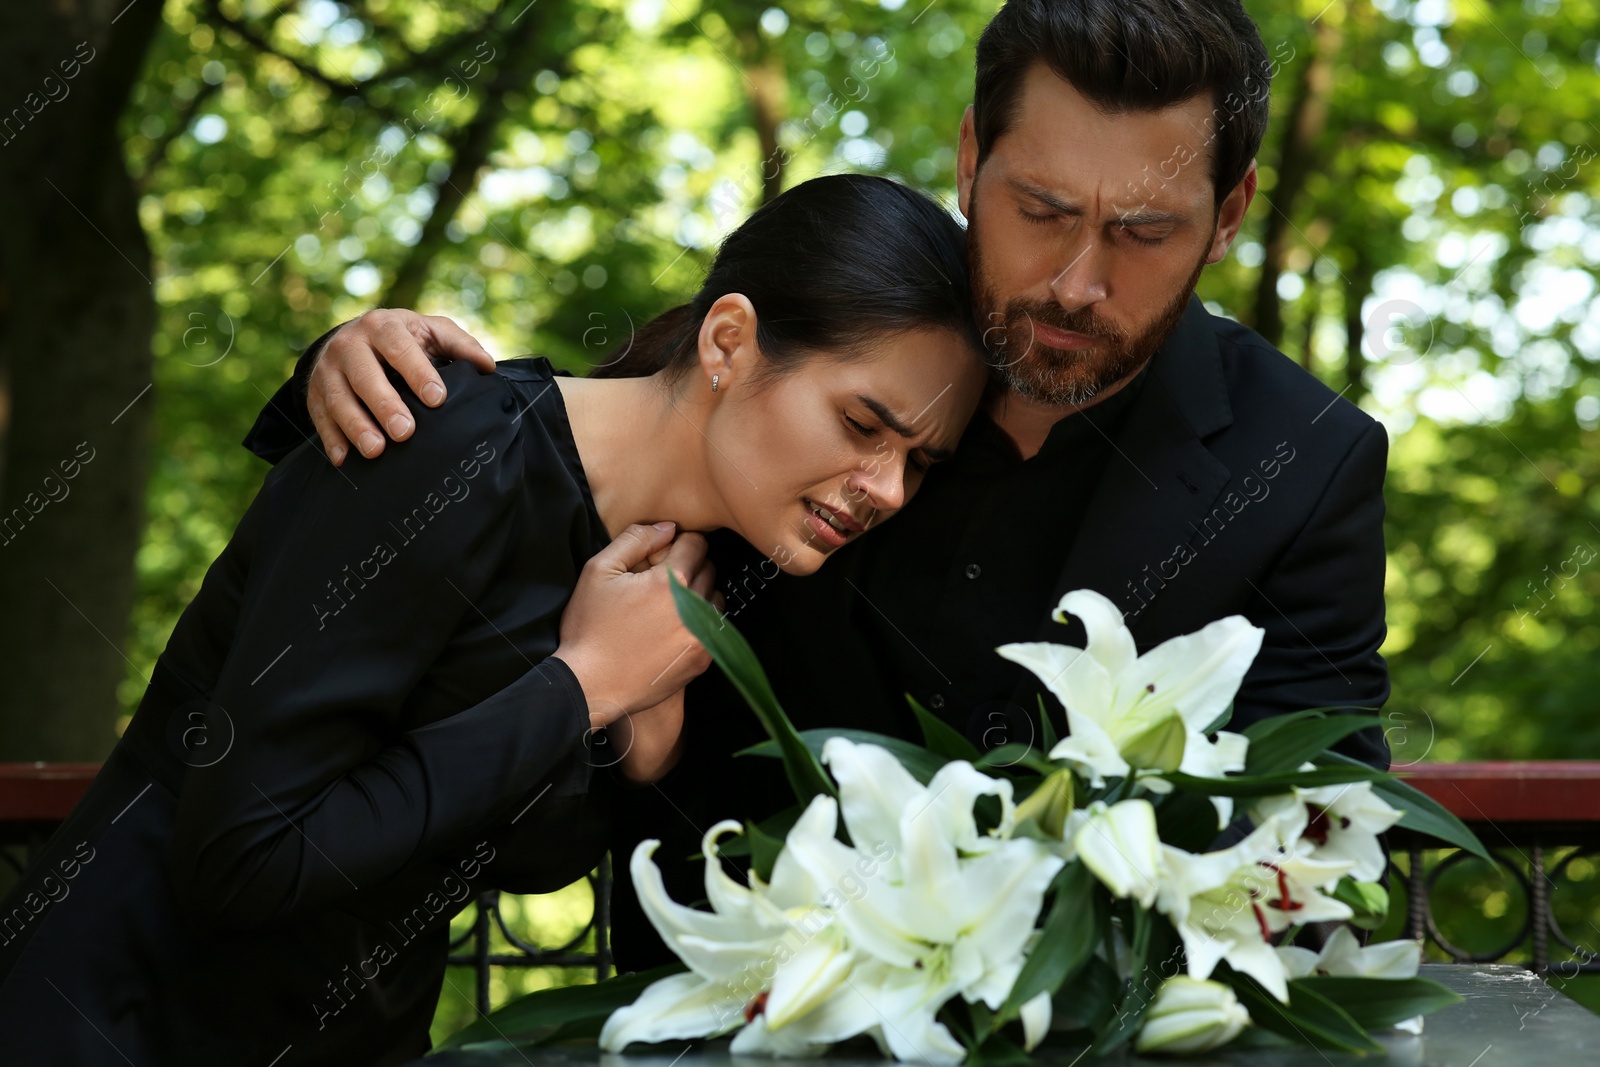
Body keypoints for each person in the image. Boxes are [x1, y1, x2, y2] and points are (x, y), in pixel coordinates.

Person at [260, 0, 1395, 974]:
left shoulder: (1307, 461)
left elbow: (1319, 825)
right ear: (967, 159)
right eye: (1039, 211)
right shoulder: (855, 315)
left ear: (1231, 214)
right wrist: (366, 365)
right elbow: (610, 426)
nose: (1076, 280)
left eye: (1143, 231)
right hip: (724, 1008)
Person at [0, 174, 987, 1066]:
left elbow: (525, 853)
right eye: (864, 426)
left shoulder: (684, 582)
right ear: (728, 339)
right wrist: (581, 686)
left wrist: (640, 738)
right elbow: (244, 859)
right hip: (113, 1021)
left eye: (919, 463)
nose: (886, 489)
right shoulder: (445, 442)